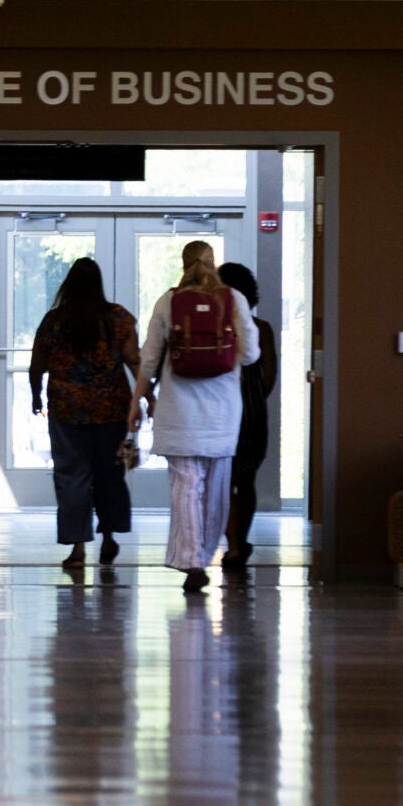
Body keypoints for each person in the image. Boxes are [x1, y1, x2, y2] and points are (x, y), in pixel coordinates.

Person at [133, 241, 260, 593]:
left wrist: (135, 405)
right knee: (216, 490)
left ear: (184, 264)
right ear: (213, 263)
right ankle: (203, 555)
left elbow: (148, 360)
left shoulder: (168, 301)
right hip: (222, 414)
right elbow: (250, 356)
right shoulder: (234, 299)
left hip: (179, 412)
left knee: (185, 487)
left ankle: (191, 561)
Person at [27, 257, 141, 572]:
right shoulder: (118, 318)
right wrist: (146, 396)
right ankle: (107, 536)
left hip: (67, 411)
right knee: (109, 475)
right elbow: (134, 361)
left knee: (72, 476)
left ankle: (77, 548)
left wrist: (36, 394)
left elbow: (37, 364)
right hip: (111, 410)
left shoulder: (54, 321)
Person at [217, 261, 281, 569]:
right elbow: (269, 376)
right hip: (253, 410)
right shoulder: (261, 328)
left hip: (220, 413)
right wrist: (253, 398)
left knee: (226, 481)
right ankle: (240, 541)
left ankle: (232, 546)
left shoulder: (214, 329)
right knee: (247, 481)